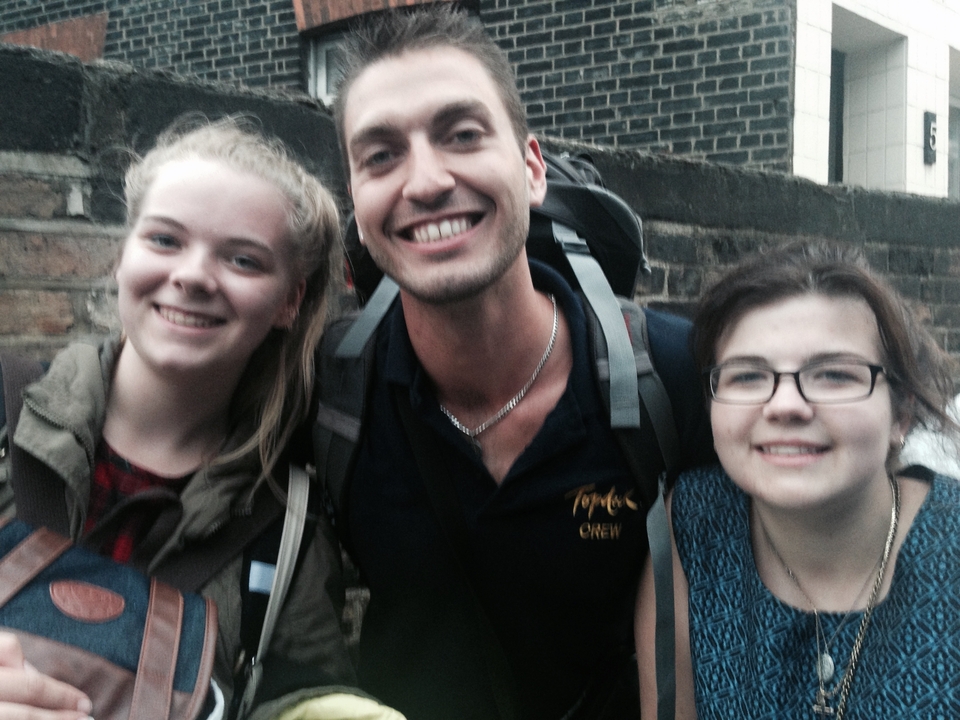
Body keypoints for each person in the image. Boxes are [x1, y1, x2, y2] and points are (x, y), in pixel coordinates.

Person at [324, 6, 713, 719]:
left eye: (462, 135)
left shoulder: (671, 374)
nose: (425, 181)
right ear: (355, 197)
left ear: (531, 168)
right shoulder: (329, 392)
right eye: (380, 155)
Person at [0, 117, 401, 720]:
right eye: (164, 240)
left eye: (242, 259)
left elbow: (291, 692)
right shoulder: (6, 412)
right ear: (122, 256)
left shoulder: (286, 527)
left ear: (289, 302)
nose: (190, 276)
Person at [636, 240, 960, 719]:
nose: (785, 405)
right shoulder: (692, 523)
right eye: (747, 377)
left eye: (833, 374)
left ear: (903, 414)